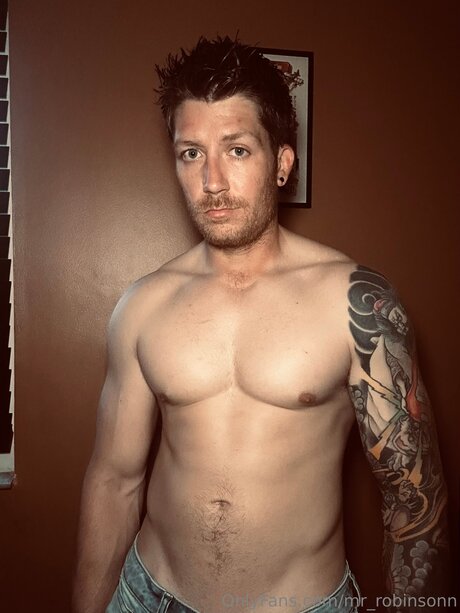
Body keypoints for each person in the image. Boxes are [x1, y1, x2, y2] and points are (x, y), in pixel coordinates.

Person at [72, 36, 449, 613]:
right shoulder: (142, 306)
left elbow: (415, 505)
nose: (212, 181)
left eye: (238, 150)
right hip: (149, 596)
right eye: (191, 153)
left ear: (282, 164)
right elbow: (113, 482)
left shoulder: (357, 303)